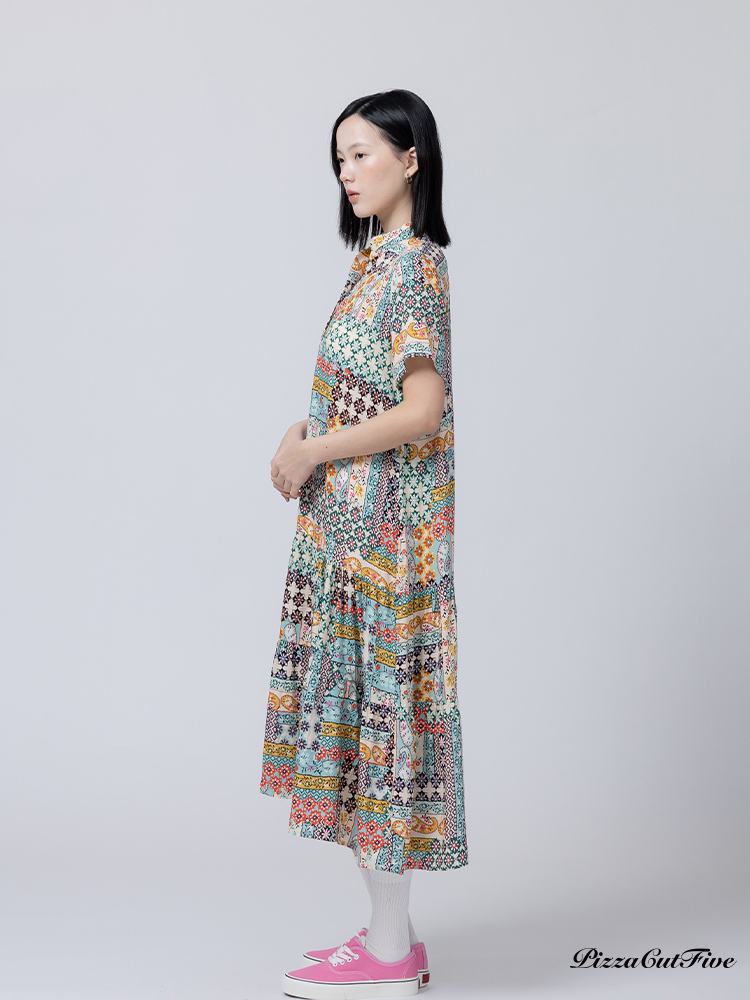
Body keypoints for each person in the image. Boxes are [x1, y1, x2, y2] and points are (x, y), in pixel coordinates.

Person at [260, 88, 468, 999]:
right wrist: (297, 434)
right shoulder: (373, 266)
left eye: (363, 154)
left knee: (382, 737)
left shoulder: (414, 266)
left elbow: (422, 409)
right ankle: (391, 938)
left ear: (410, 158)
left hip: (387, 549)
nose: (347, 172)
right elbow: (357, 388)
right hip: (348, 542)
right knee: (361, 739)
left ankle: (389, 957)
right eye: (339, 158)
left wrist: (314, 452)